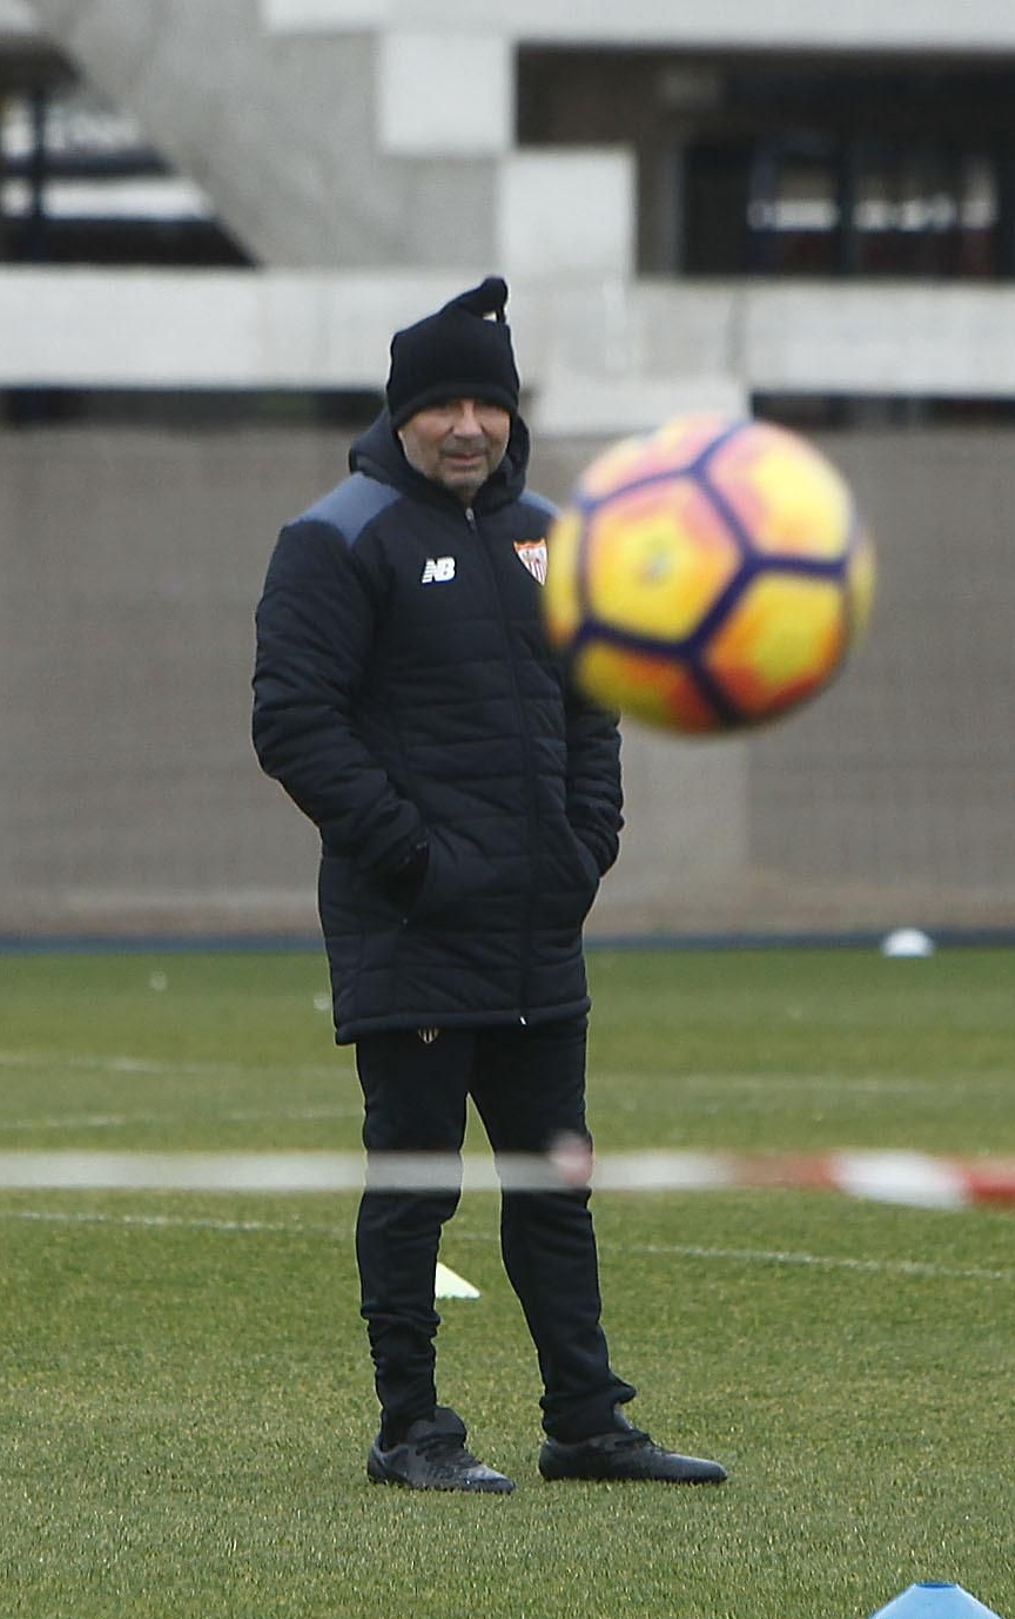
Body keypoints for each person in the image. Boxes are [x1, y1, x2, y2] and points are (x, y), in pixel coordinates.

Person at [252, 276, 726, 1494]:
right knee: (416, 1185)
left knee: (555, 1183)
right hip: (412, 929)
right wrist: (413, 858)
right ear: (400, 414)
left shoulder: (555, 540)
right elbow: (293, 724)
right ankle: (409, 1428)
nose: (468, 425)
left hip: (534, 929)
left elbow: (591, 703)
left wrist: (586, 846)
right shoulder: (336, 538)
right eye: (443, 404)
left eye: (488, 403)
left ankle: (586, 1423)